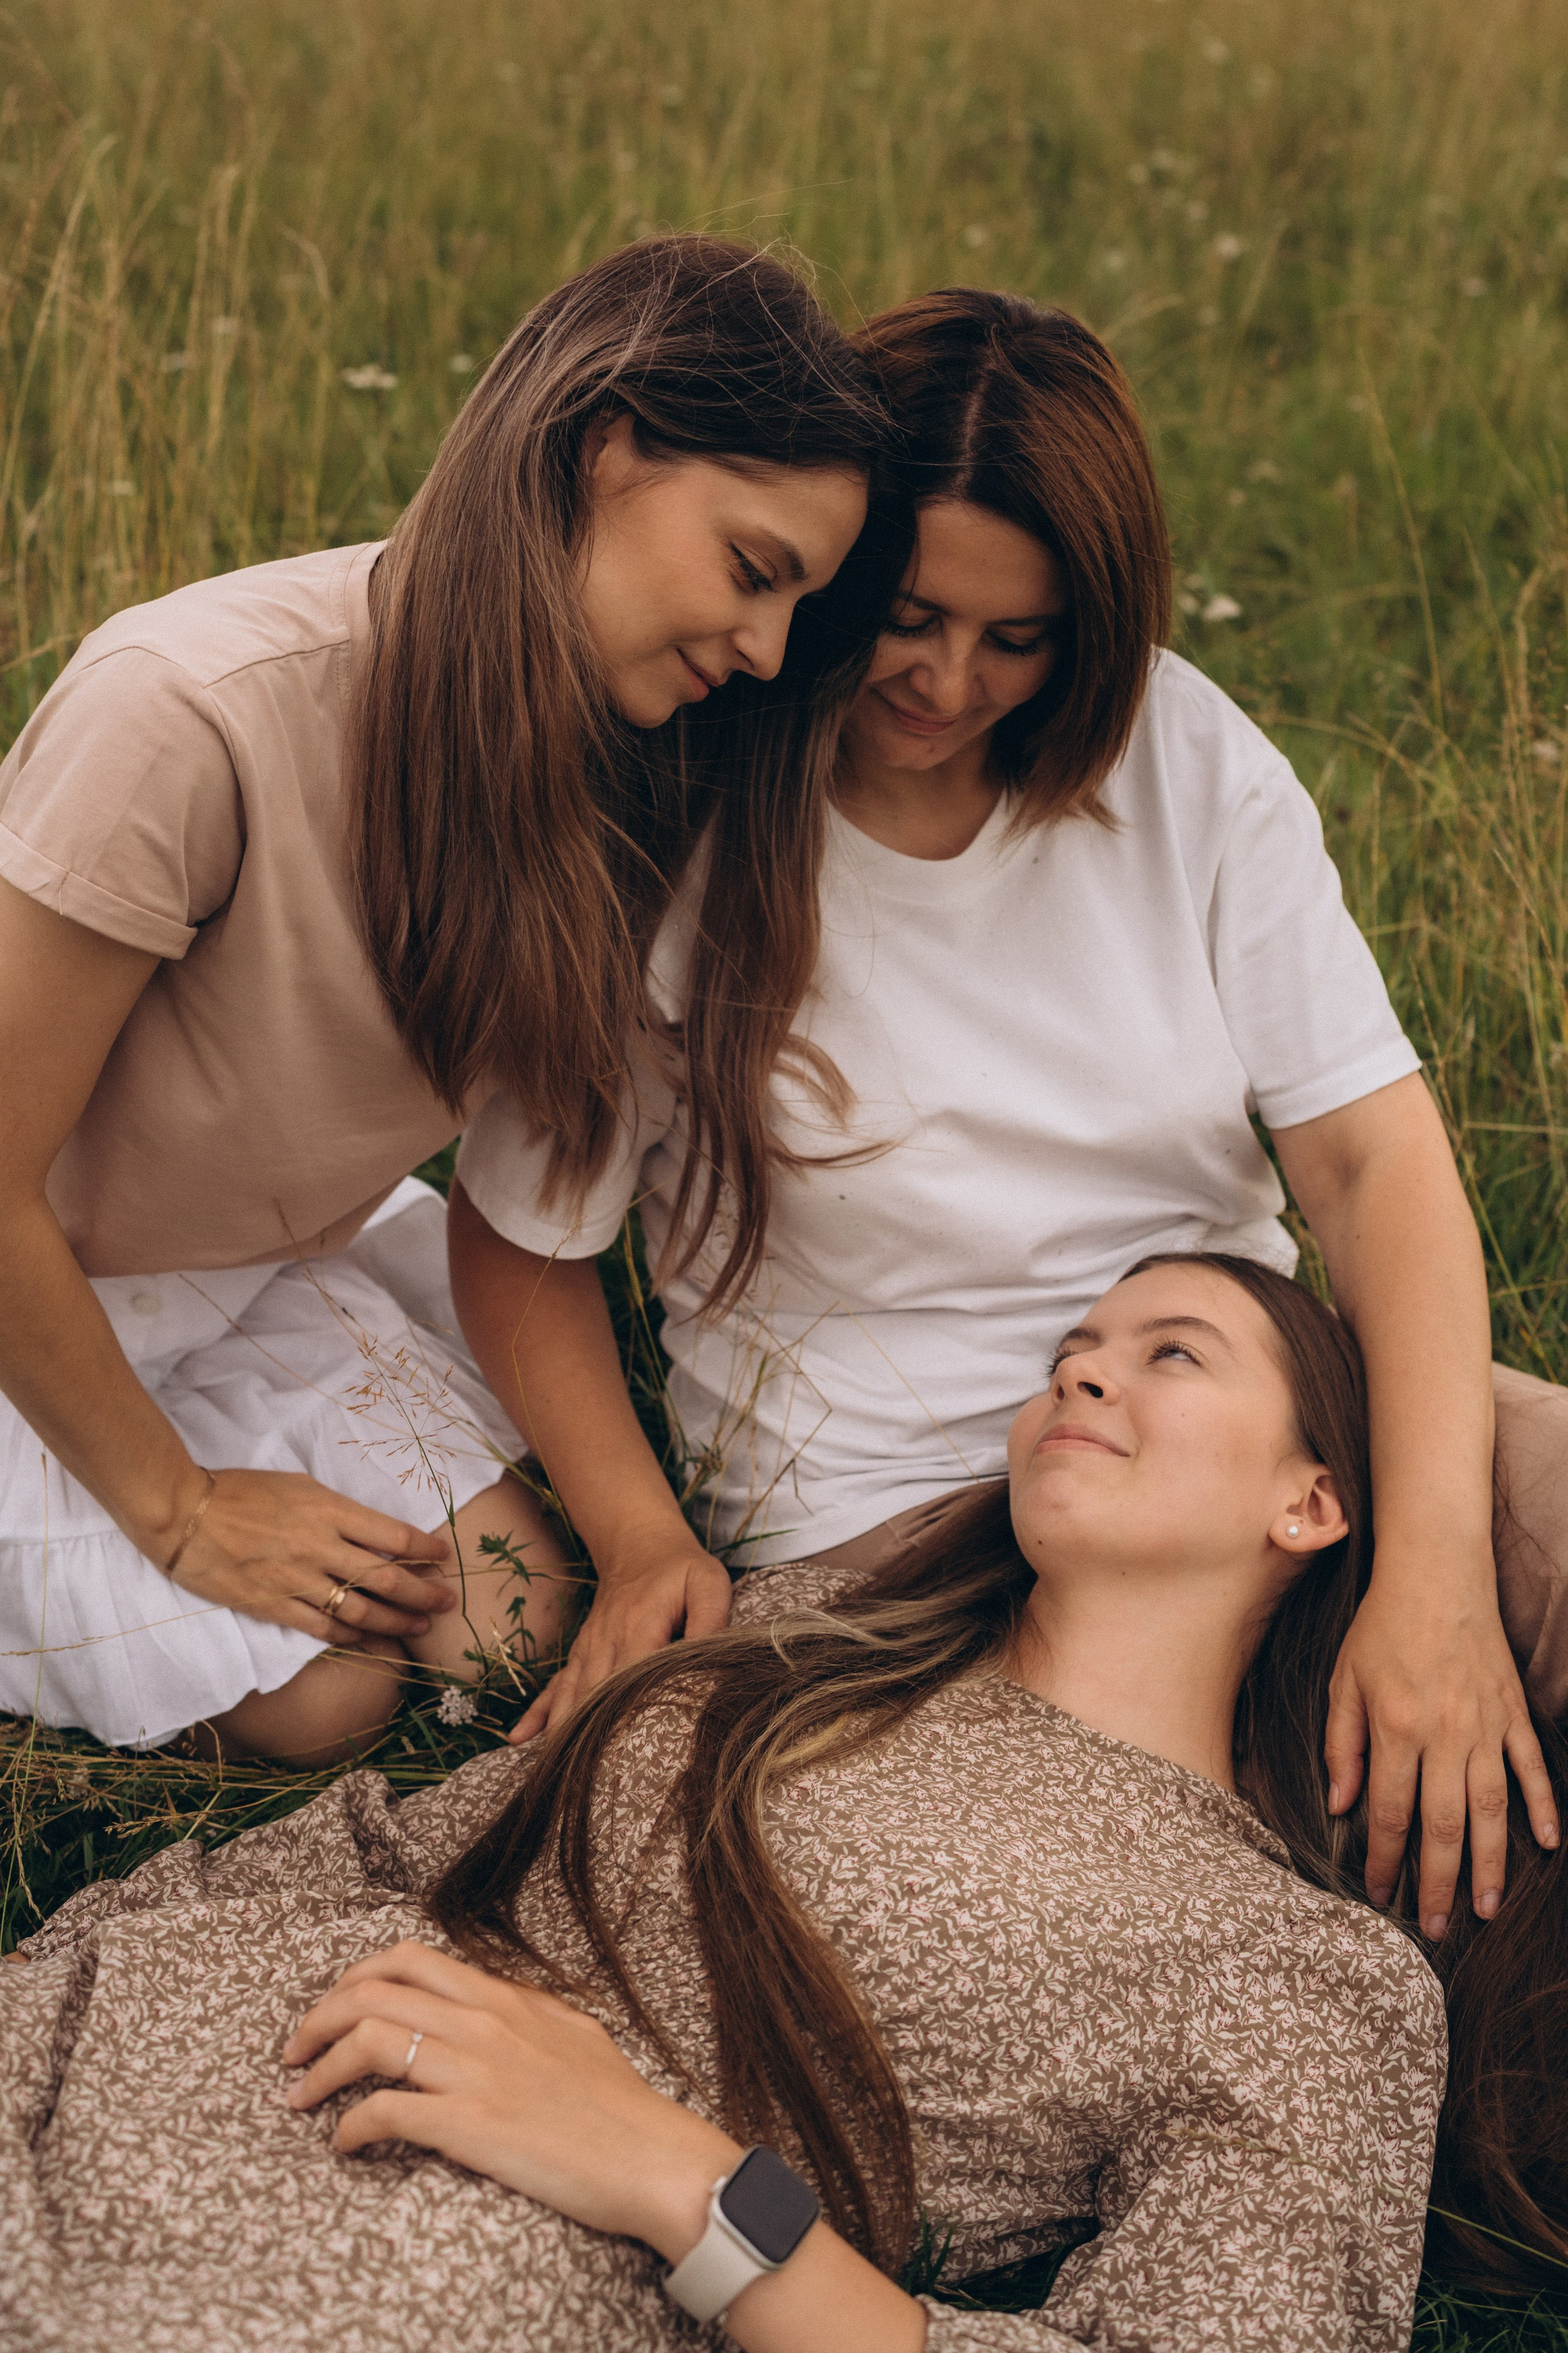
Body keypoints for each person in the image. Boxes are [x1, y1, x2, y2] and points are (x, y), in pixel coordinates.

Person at [448, 287, 1562, 1947]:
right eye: (906, 613)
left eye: (1018, 637)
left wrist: (1437, 1581)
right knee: (1273, 1896)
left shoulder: (1185, 760)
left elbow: (1368, 1156)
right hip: (899, 1516)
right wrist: (636, 1538)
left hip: (1241, 1416)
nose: (950, 679)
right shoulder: (683, 812)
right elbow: (522, 1240)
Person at [4, 1253, 1564, 2349]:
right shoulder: (808, 1625)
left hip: (447, 2255)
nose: (1079, 1365)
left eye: (1170, 1350)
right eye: (1069, 1349)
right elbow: (405, 1838)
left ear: (1310, 1499)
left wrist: (680, 2181)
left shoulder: (1298, 1972)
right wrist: (93, 1968)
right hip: (151, 2034)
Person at [0, 235, 893, 1761]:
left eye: (796, 606)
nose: (763, 650)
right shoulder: (190, 713)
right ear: (601, 447)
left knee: (502, 1618)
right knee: (330, 1688)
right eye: (753, 571)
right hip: (33, 1302)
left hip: (245, 1272)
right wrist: (185, 1508)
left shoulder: (624, 773)